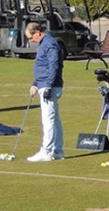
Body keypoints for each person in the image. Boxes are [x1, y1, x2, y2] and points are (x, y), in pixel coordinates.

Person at [26, 22, 65, 162]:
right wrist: (36, 84)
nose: (31, 41)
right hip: (45, 85)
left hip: (50, 87)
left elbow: (53, 66)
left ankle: (47, 151)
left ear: (37, 32)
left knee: (48, 120)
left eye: (31, 37)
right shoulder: (44, 44)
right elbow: (43, 67)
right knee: (54, 120)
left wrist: (47, 86)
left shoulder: (49, 43)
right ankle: (57, 151)